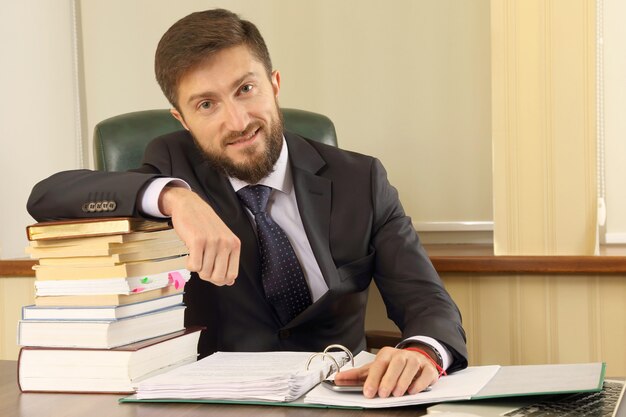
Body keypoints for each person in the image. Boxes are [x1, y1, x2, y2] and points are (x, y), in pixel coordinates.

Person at [27, 9, 467, 398]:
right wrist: (175, 196)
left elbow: (426, 301)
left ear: (274, 85)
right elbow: (48, 195)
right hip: (216, 404)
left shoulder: (360, 179)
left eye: (245, 89)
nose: (236, 122)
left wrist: (422, 352)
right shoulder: (171, 163)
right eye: (206, 104)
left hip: (343, 400)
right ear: (183, 120)